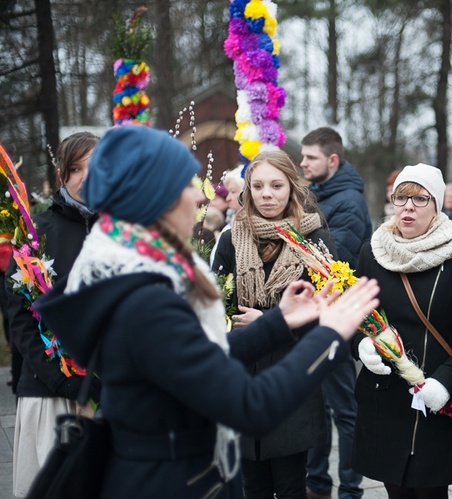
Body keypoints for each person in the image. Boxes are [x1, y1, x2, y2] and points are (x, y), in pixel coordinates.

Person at [34, 125, 380, 499]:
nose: (200, 200)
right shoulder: (147, 295)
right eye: (187, 185)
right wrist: (329, 335)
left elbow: (200, 360)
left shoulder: (134, 270)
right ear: (155, 198)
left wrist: (280, 321)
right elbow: (249, 406)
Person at [352, 163, 452, 498]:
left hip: (435, 400)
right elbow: (355, 313)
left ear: (438, 204)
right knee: (395, 490)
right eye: (401, 197)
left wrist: (448, 380)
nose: (408, 207)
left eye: (420, 199)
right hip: (384, 401)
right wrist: (362, 345)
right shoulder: (373, 252)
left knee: (429, 492)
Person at [212, 150, 334, 499]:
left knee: (291, 483)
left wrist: (268, 321)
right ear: (248, 190)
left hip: (292, 374)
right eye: (259, 186)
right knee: (253, 484)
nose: (267, 194)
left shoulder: (316, 241)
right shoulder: (231, 237)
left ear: (292, 188)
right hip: (242, 375)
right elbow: (215, 303)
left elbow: (328, 313)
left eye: (276, 185)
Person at [6, 131, 100, 497]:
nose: (89, 178)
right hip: (51, 392)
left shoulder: (123, 231)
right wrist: (62, 380)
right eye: (79, 169)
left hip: (108, 391)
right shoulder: (36, 234)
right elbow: (19, 318)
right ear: (63, 172)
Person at [300, 127, 370, 499]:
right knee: (316, 406)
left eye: (310, 157)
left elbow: (334, 259)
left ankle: (351, 488)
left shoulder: (348, 202)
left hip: (338, 319)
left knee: (344, 409)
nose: (303, 163)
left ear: (332, 160)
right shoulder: (319, 194)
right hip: (315, 318)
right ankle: (316, 482)